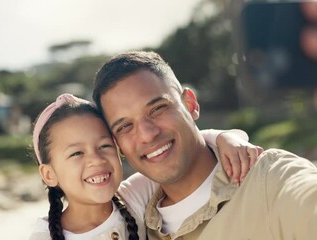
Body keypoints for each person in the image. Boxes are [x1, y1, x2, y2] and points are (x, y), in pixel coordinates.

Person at [92, 50, 317, 240]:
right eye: (125, 127)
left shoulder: (271, 181)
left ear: (190, 104)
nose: (147, 135)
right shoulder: (129, 219)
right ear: (116, 145)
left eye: (157, 109)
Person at [29, 93, 262, 240]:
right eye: (77, 153)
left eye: (104, 146)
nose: (96, 159)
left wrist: (224, 138)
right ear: (49, 174)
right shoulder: (43, 236)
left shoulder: (134, 197)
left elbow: (182, 147)